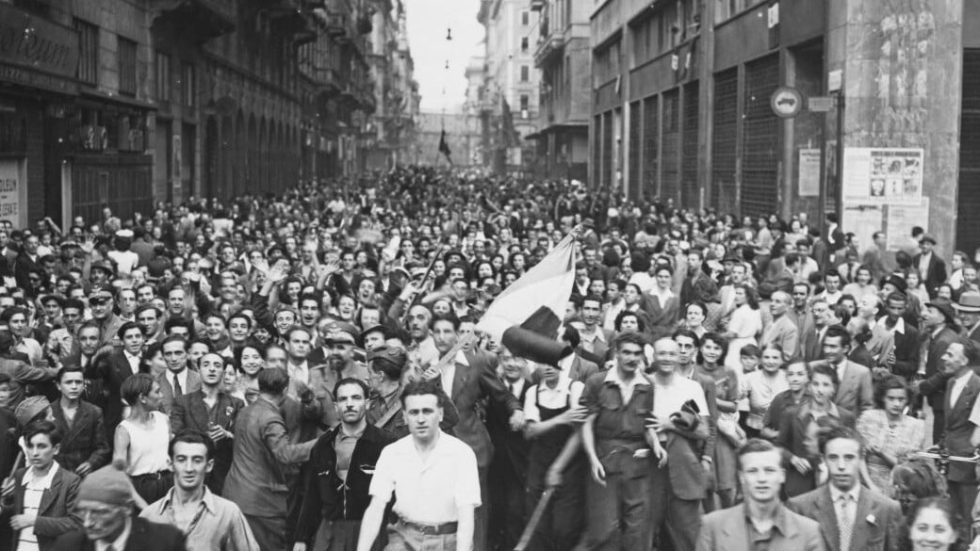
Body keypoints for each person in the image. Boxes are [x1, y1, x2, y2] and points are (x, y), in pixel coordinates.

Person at [355, 379, 481, 551]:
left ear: (441, 414)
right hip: (403, 538)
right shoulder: (392, 453)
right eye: (414, 413)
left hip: (448, 540)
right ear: (405, 417)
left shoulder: (461, 453)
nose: (421, 419)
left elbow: (467, 514)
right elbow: (376, 507)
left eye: (427, 411)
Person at [576, 332, 665, 550]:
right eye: (626, 352)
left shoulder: (647, 385)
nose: (631, 358)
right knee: (604, 529)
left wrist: (656, 445)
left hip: (637, 464)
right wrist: (593, 459)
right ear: (617, 354)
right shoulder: (598, 382)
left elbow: (646, 426)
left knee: (637, 528)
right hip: (606, 461)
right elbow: (586, 424)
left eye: (636, 353)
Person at [293, 378, 395, 551]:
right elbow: (312, 496)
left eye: (356, 398)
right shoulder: (322, 446)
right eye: (343, 399)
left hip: (373, 533)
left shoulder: (386, 444)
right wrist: (301, 539)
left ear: (367, 403)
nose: (349, 404)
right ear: (335, 406)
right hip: (330, 534)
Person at [223, 367, 317, 551]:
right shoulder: (270, 417)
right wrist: (321, 442)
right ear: (284, 390)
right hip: (261, 503)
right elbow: (285, 454)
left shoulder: (245, 411)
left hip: (234, 495)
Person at [788, 425, 905, 551]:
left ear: (861, 459)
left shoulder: (887, 509)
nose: (841, 466)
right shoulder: (800, 508)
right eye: (833, 458)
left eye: (849, 457)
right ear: (824, 459)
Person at [695, 438, 823, 551]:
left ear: (782, 475)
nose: (761, 478)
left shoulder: (809, 532)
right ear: (742, 477)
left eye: (769, 470)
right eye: (752, 471)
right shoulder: (712, 527)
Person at [140, 430, 259, 551]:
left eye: (197, 460)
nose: (189, 468)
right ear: (170, 464)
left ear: (209, 466)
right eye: (181, 460)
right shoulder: (149, 516)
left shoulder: (228, 513)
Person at [648, 337, 711, 550]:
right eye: (662, 353)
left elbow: (703, 431)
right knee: (647, 528)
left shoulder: (691, 387)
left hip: (682, 461)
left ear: (680, 357)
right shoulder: (644, 384)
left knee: (686, 530)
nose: (667, 358)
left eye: (672, 354)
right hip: (649, 461)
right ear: (653, 356)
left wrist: (670, 425)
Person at [520, 355, 587, 551]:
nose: (548, 368)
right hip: (539, 461)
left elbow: (579, 433)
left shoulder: (575, 388)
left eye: (553, 363)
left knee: (564, 527)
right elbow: (530, 431)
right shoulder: (533, 392)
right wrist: (561, 419)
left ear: (563, 364)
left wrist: (557, 468)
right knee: (537, 523)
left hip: (570, 463)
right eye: (543, 362)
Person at [49, 461, 185, 551]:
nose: (88, 522)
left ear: (127, 508)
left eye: (100, 512)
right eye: (83, 511)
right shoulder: (67, 546)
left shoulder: (165, 543)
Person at [776, 362, 856, 498]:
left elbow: (851, 450)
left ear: (834, 389)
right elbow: (778, 446)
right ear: (809, 387)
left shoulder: (845, 417)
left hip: (832, 483)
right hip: (799, 482)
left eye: (825, 385)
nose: (820, 390)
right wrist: (793, 459)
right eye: (815, 384)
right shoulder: (792, 414)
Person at [169, 352, 244, 495]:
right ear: (198, 369)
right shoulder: (182, 402)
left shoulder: (236, 404)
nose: (212, 369)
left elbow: (244, 441)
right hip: (192, 472)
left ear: (223, 371)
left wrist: (227, 434)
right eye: (206, 364)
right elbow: (176, 436)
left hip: (226, 474)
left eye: (217, 365)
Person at [0, 420, 82, 550]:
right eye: (30, 446)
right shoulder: (20, 475)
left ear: (56, 449)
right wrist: (4, 502)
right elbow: (16, 515)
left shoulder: (70, 481)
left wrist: (34, 521)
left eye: (41, 446)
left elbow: (76, 524)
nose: (34, 453)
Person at [856, 375, 926, 497]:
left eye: (901, 399)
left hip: (900, 489)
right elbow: (857, 456)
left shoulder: (916, 426)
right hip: (866, 483)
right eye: (891, 398)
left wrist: (882, 453)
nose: (896, 404)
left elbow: (909, 466)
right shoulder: (868, 418)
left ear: (907, 400)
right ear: (883, 398)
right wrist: (869, 485)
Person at [114, 373, 173, 504]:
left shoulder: (163, 419)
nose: (161, 396)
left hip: (167, 484)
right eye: (157, 392)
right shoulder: (124, 430)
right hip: (140, 489)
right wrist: (140, 504)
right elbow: (119, 473)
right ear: (142, 398)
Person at [822, 325, 874, 414]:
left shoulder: (862, 373)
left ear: (845, 348)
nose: (827, 350)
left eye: (833, 347)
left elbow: (867, 408)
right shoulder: (814, 367)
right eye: (825, 346)